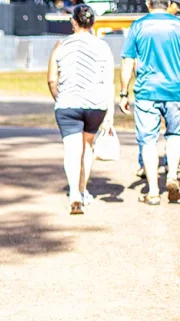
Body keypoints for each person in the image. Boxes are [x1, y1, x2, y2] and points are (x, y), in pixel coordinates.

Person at [47, 5, 115, 214]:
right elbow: (108, 82)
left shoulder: (61, 45)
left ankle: (74, 194)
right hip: (95, 104)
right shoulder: (102, 46)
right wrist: (110, 114)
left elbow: (51, 79)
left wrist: (59, 98)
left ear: (73, 22)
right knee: (87, 146)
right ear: (93, 23)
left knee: (71, 149)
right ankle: (83, 190)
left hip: (67, 103)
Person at [119, 0, 180, 205]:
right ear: (169, 3)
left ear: (148, 3)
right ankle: (172, 175)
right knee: (175, 135)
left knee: (148, 141)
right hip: (176, 90)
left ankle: (153, 192)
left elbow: (127, 60)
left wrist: (123, 93)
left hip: (147, 91)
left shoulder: (138, 26)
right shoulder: (178, 24)